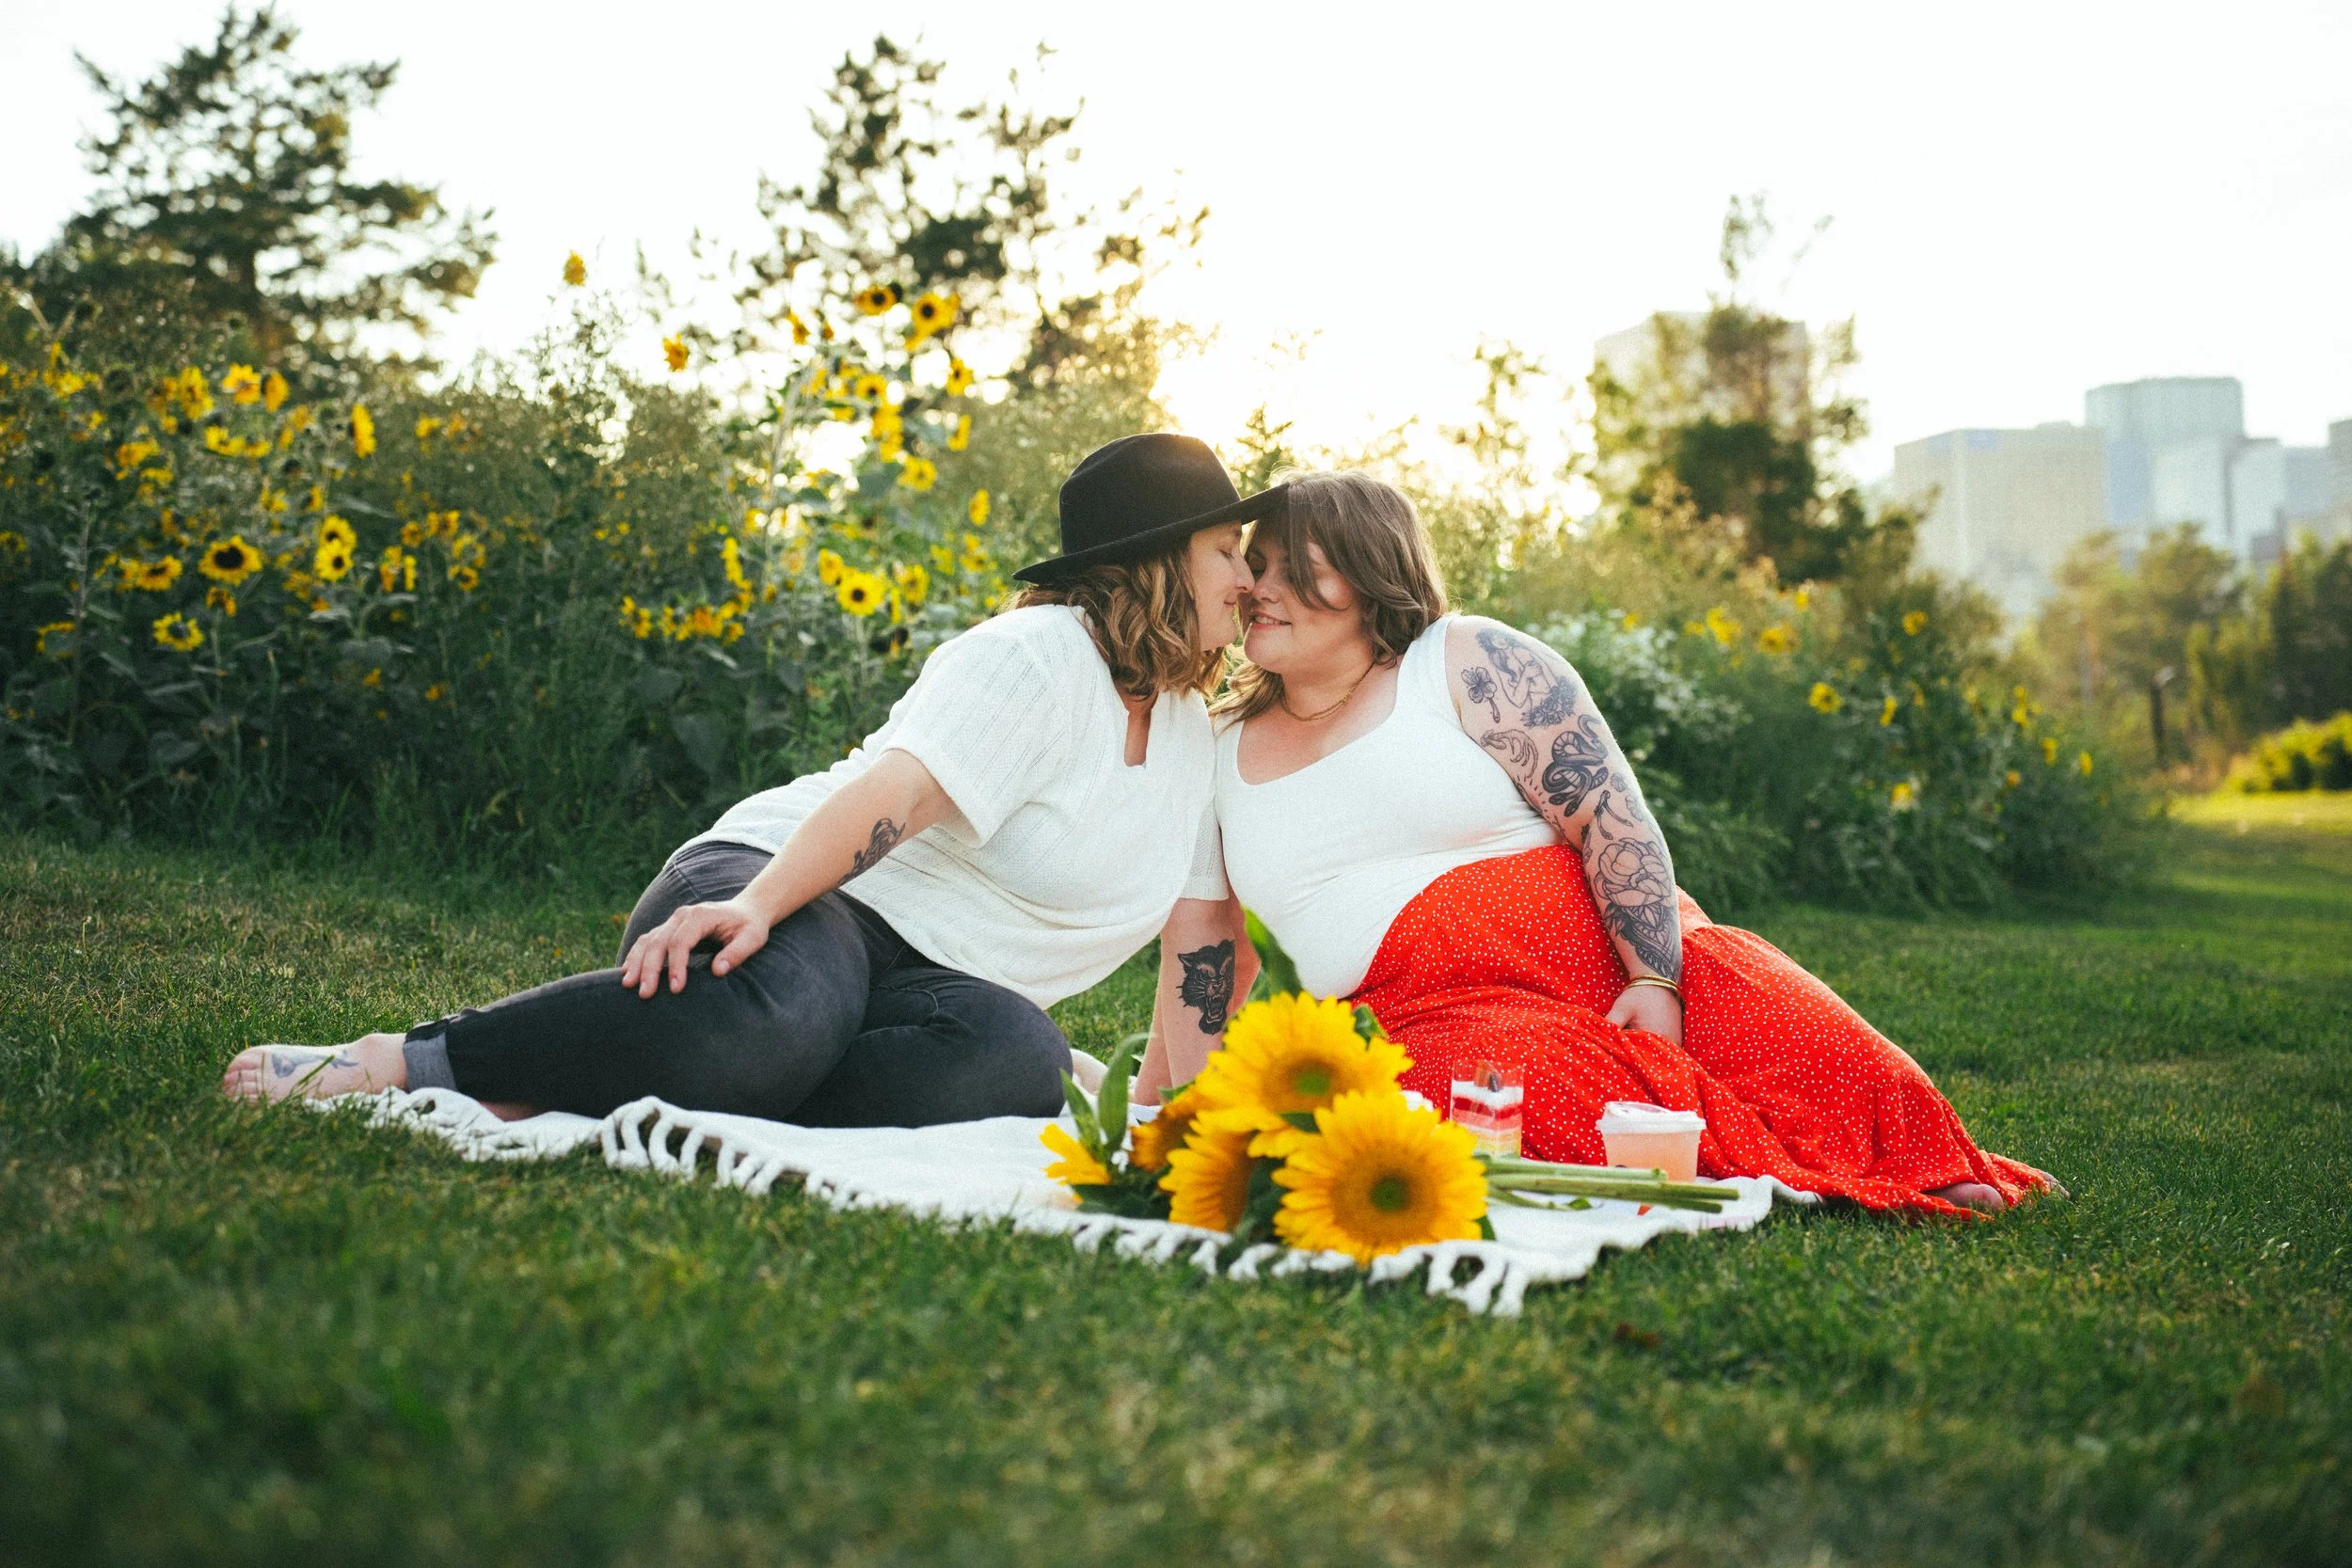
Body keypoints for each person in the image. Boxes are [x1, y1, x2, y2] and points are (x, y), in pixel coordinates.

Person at [222, 434, 1277, 1128]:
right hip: (796, 883)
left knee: (1013, 1062)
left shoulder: (1196, 729)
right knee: (773, 1021)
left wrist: (1171, 1118)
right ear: (1153, 561)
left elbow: (1201, 940)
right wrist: (757, 904)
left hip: (928, 987)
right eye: (1227, 548)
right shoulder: (1041, 655)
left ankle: (612, 1084)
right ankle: (408, 1062)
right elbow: (894, 798)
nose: (1247, 577)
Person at [1175, 469, 2053, 1216]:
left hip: (1619, 949)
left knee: (1818, 1052)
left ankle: (1926, 1163)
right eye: (1257, 567)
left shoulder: (1463, 660)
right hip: (1429, 1019)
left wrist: (1653, 978)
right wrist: (1182, 1106)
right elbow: (1207, 944)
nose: (1262, 588)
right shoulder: (1211, 749)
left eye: (1300, 571)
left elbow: (1610, 814)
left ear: (1371, 580)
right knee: (1513, 1099)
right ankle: (1793, 1173)